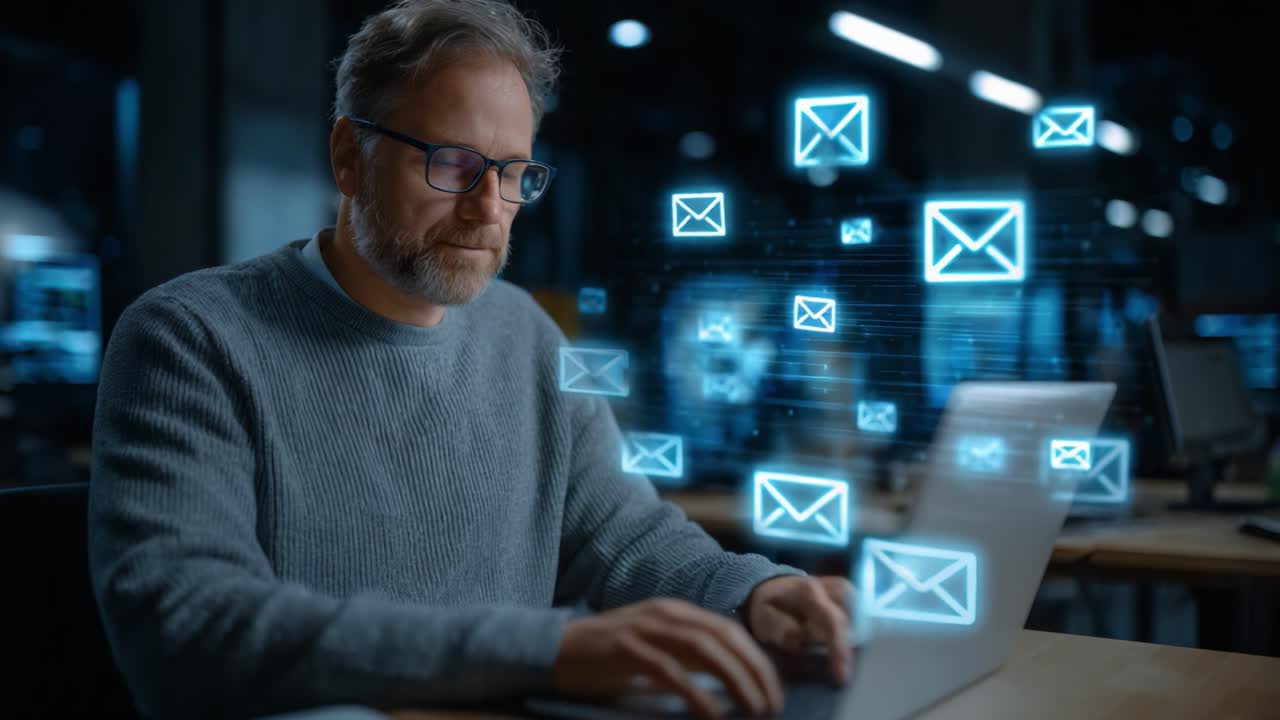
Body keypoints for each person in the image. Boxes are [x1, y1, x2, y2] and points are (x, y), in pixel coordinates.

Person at [88, 2, 854, 718]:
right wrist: (546, 652)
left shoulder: (525, 335)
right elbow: (185, 626)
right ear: (349, 157)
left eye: (513, 172)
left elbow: (624, 538)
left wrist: (753, 594)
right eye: (452, 163)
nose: (489, 208)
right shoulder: (190, 337)